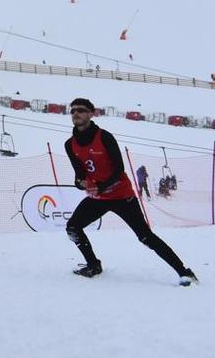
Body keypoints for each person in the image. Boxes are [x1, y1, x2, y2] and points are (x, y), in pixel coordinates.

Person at [63, 98, 197, 285]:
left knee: (145, 237)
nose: (76, 113)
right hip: (98, 197)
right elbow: (79, 174)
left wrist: (100, 187)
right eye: (73, 110)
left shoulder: (104, 137)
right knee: (73, 227)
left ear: (91, 114)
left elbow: (119, 170)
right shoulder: (70, 144)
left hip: (121, 195)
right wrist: (81, 183)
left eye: (82, 110)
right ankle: (93, 265)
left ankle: (185, 272)